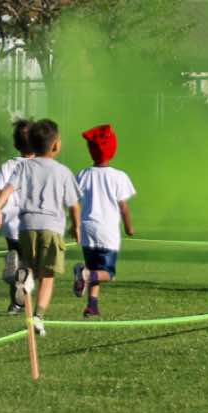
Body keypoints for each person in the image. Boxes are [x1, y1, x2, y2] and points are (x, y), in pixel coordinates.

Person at [0, 118, 79, 336]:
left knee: (29, 265)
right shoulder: (62, 171)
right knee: (47, 275)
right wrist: (77, 227)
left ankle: (23, 275)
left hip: (26, 226)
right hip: (51, 227)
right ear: (56, 145)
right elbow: (74, 204)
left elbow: (7, 189)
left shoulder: (23, 167)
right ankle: (38, 316)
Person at [73, 123, 136, 319]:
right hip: (107, 232)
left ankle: (92, 306)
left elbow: (75, 203)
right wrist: (129, 227)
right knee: (108, 273)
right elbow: (123, 206)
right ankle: (85, 275)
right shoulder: (119, 176)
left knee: (94, 268)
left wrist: (74, 225)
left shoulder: (83, 174)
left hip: (87, 228)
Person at [0, 120, 32, 314]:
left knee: (15, 259)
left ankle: (14, 304)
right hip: (32, 222)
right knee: (29, 265)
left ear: (16, 143)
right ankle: (20, 302)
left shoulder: (8, 165)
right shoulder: (41, 166)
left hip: (11, 222)